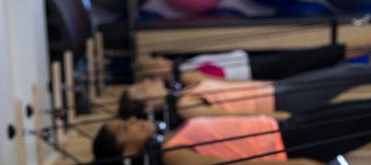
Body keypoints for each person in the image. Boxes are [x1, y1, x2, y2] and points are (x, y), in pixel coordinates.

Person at [92, 99, 371, 165]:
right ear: (127, 151)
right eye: (123, 128)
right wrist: (303, 162)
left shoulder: (173, 136)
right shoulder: (172, 155)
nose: (132, 120)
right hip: (290, 145)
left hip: (288, 127)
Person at [118, 63, 371, 121]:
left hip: (276, 89)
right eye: (142, 89)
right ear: (148, 107)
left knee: (349, 73)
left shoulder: (185, 91)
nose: (148, 81)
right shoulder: (186, 106)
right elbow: (237, 119)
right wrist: (283, 118)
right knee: (350, 75)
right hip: (281, 102)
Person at [137, 34, 371, 83]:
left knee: (320, 55)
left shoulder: (186, 65)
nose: (159, 59)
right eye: (154, 64)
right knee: (320, 57)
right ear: (157, 75)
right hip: (262, 72)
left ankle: (362, 45)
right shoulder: (187, 76)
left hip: (256, 62)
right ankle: (363, 44)